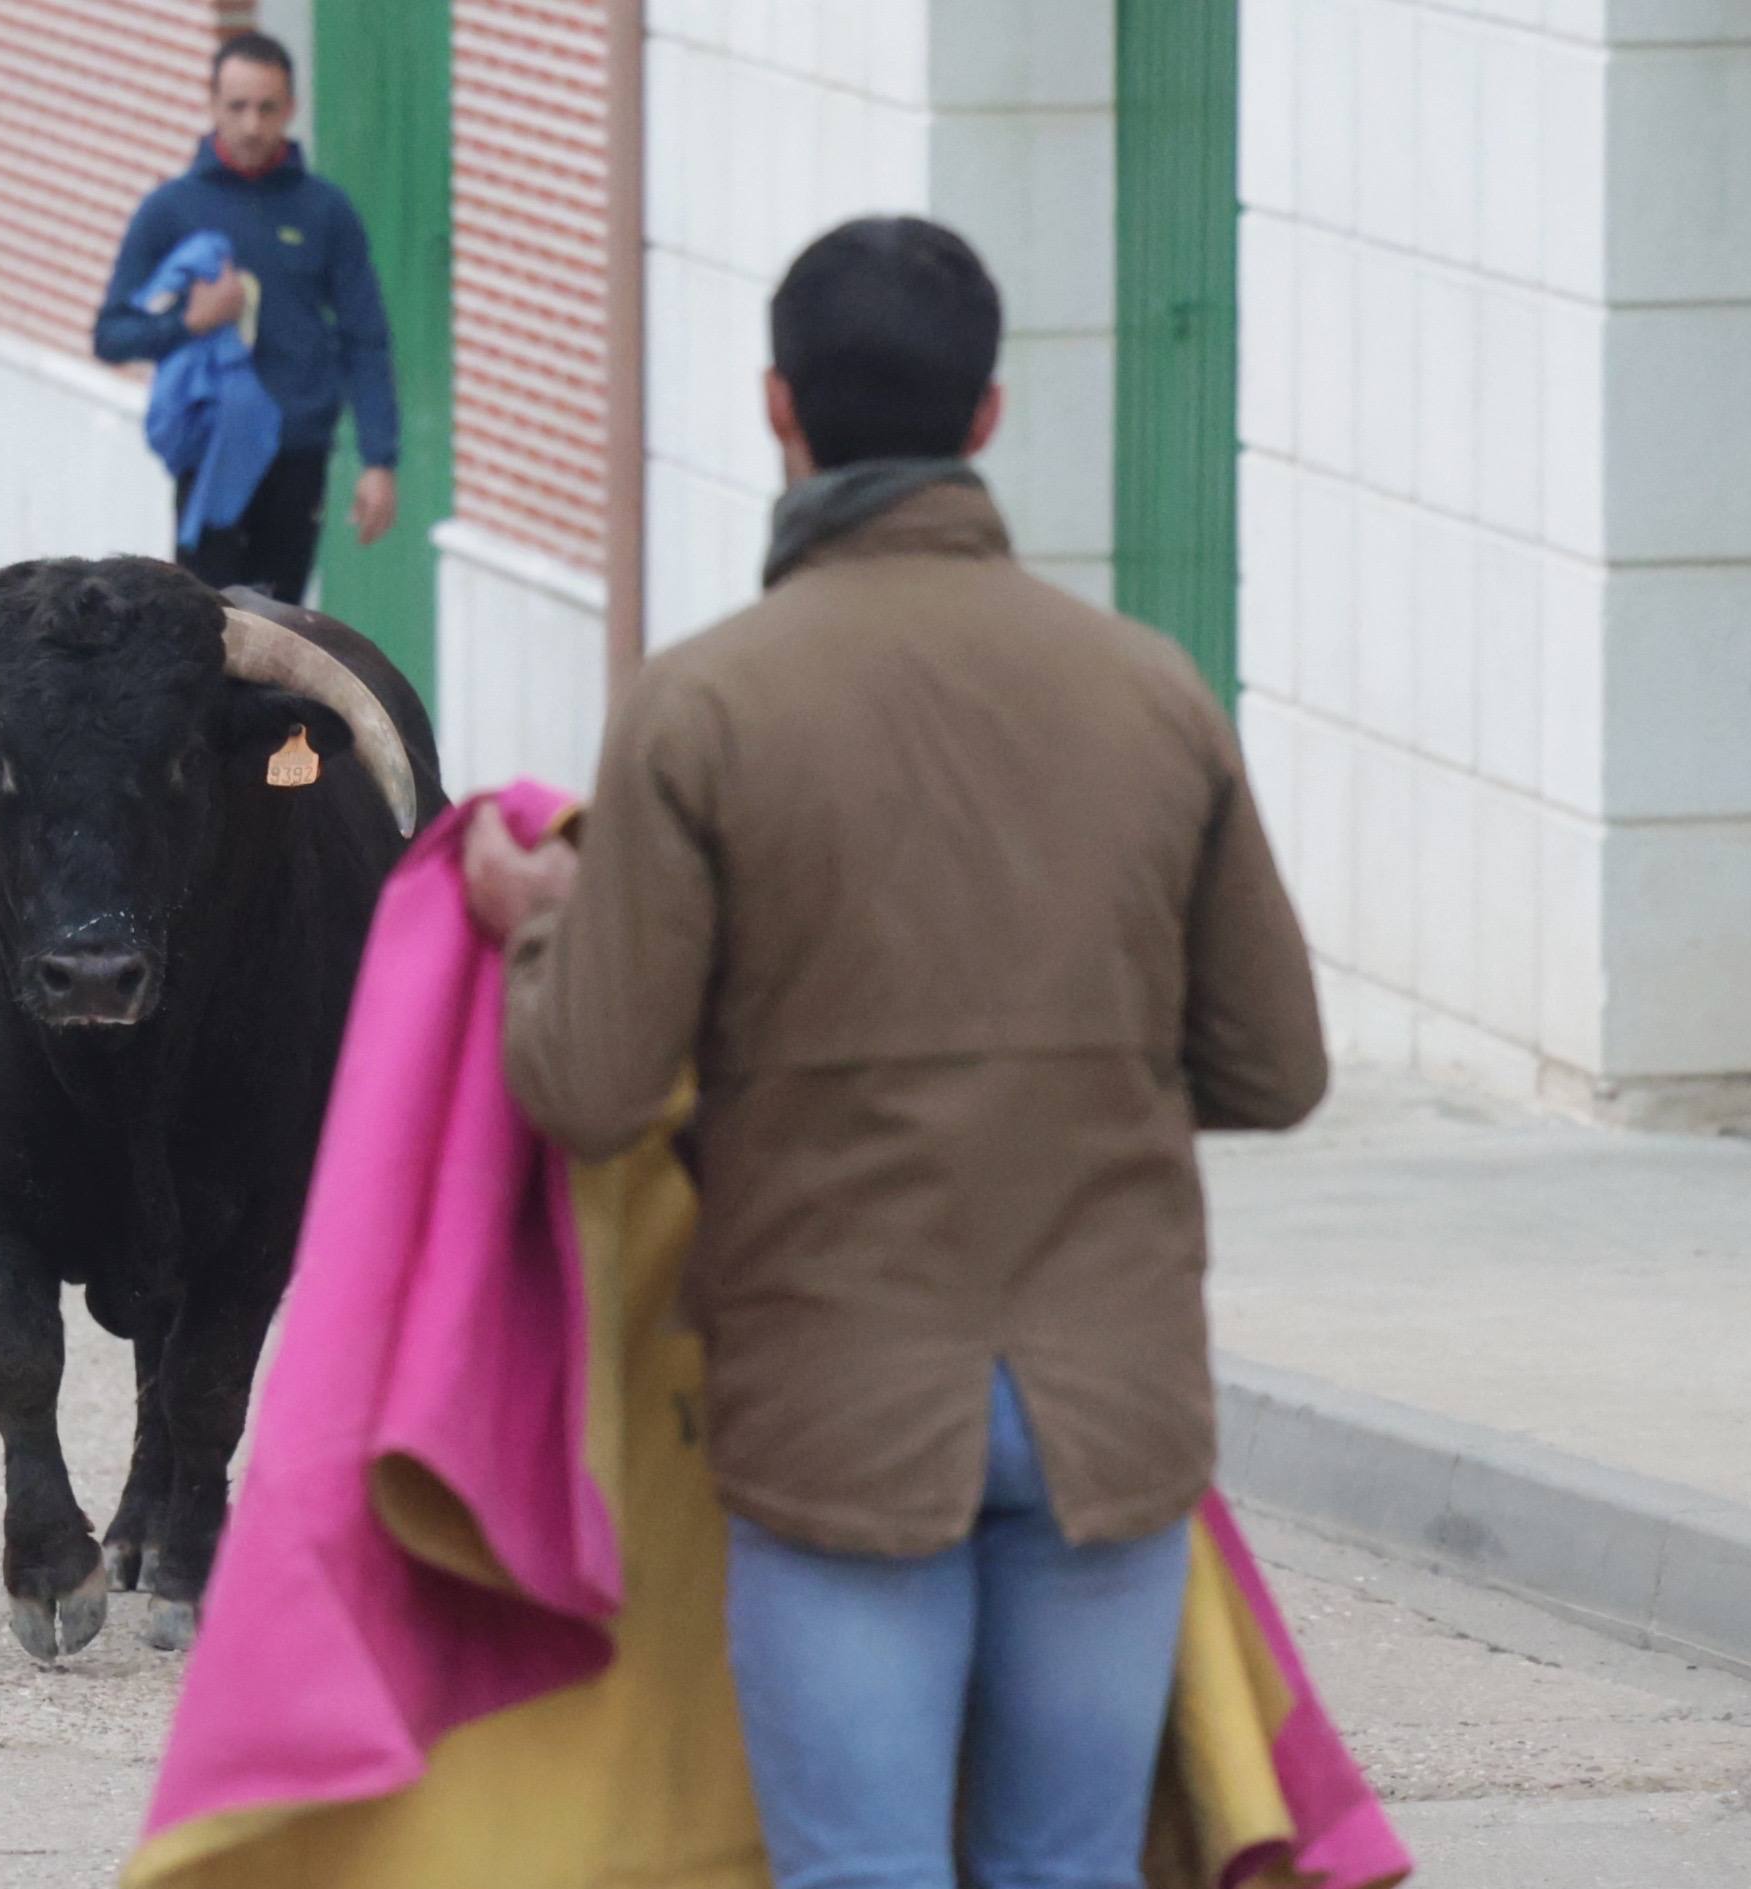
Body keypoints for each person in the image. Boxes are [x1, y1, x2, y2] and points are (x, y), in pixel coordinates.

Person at [464, 218, 1329, 1889]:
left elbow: (586, 1086)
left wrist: (542, 921)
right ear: (987, 416)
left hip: (839, 1392)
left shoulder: (700, 705)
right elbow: (1274, 1066)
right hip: (1108, 1396)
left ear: (775, 407)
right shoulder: (1153, 692)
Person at [95, 31, 397, 605]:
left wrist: (379, 460)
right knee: (204, 634)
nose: (253, 125)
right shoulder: (170, 209)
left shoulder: (326, 211)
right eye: (237, 107)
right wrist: (191, 322)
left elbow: (366, 339)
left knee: (282, 642)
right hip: (210, 457)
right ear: (211, 107)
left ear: (292, 109)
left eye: (268, 108)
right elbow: (111, 334)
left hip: (298, 455)